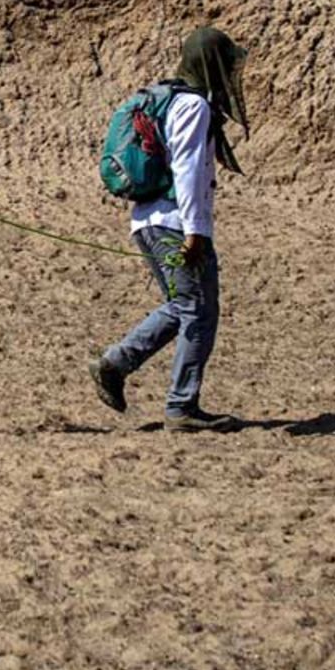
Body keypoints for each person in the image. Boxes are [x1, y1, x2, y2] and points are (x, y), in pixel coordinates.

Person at [90, 27, 249, 432]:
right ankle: (181, 407)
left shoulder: (173, 98)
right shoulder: (193, 106)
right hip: (176, 225)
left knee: (183, 306)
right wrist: (196, 232)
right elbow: (188, 169)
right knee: (199, 312)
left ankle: (116, 364)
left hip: (149, 223)